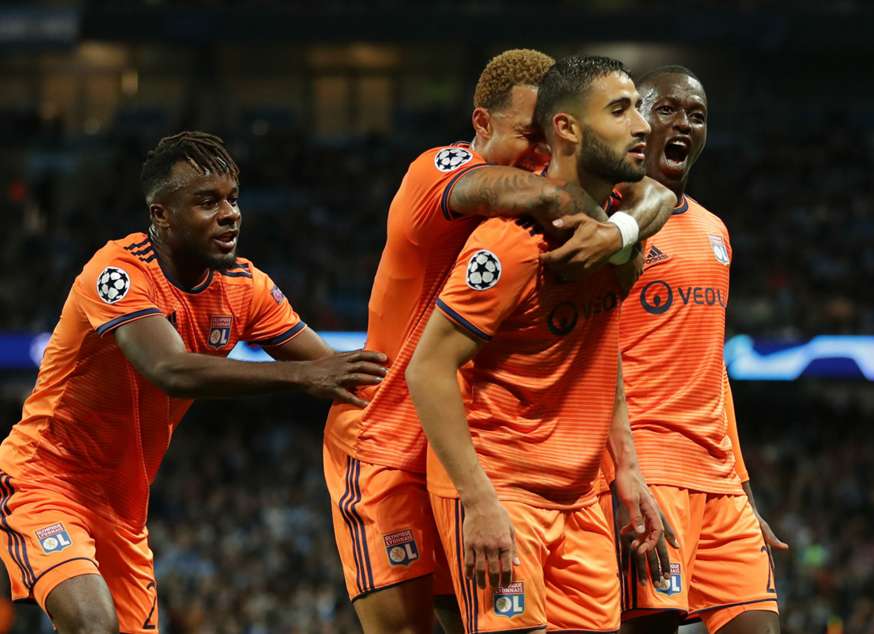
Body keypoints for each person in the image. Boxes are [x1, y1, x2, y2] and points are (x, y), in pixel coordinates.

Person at [322, 49, 675, 634]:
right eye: (529, 136)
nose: (540, 155)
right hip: (384, 436)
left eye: (548, 139)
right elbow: (519, 190)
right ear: (481, 125)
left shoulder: (580, 225)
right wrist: (605, 217)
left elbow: (658, 196)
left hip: (466, 435)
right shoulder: (441, 172)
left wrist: (622, 225)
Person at [0, 131, 388, 634]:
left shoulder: (245, 288)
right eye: (207, 202)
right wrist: (300, 376)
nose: (229, 214)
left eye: (232, 199)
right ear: (161, 215)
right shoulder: (117, 272)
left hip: (124, 512)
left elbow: (337, 369)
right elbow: (171, 369)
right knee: (92, 623)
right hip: (44, 478)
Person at [614, 66, 787, 634]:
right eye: (667, 109)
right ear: (636, 119)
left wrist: (742, 489)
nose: (684, 122)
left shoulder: (715, 229)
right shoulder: (609, 225)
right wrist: (621, 475)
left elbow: (713, 372)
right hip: (649, 472)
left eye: (697, 115)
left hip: (719, 483)